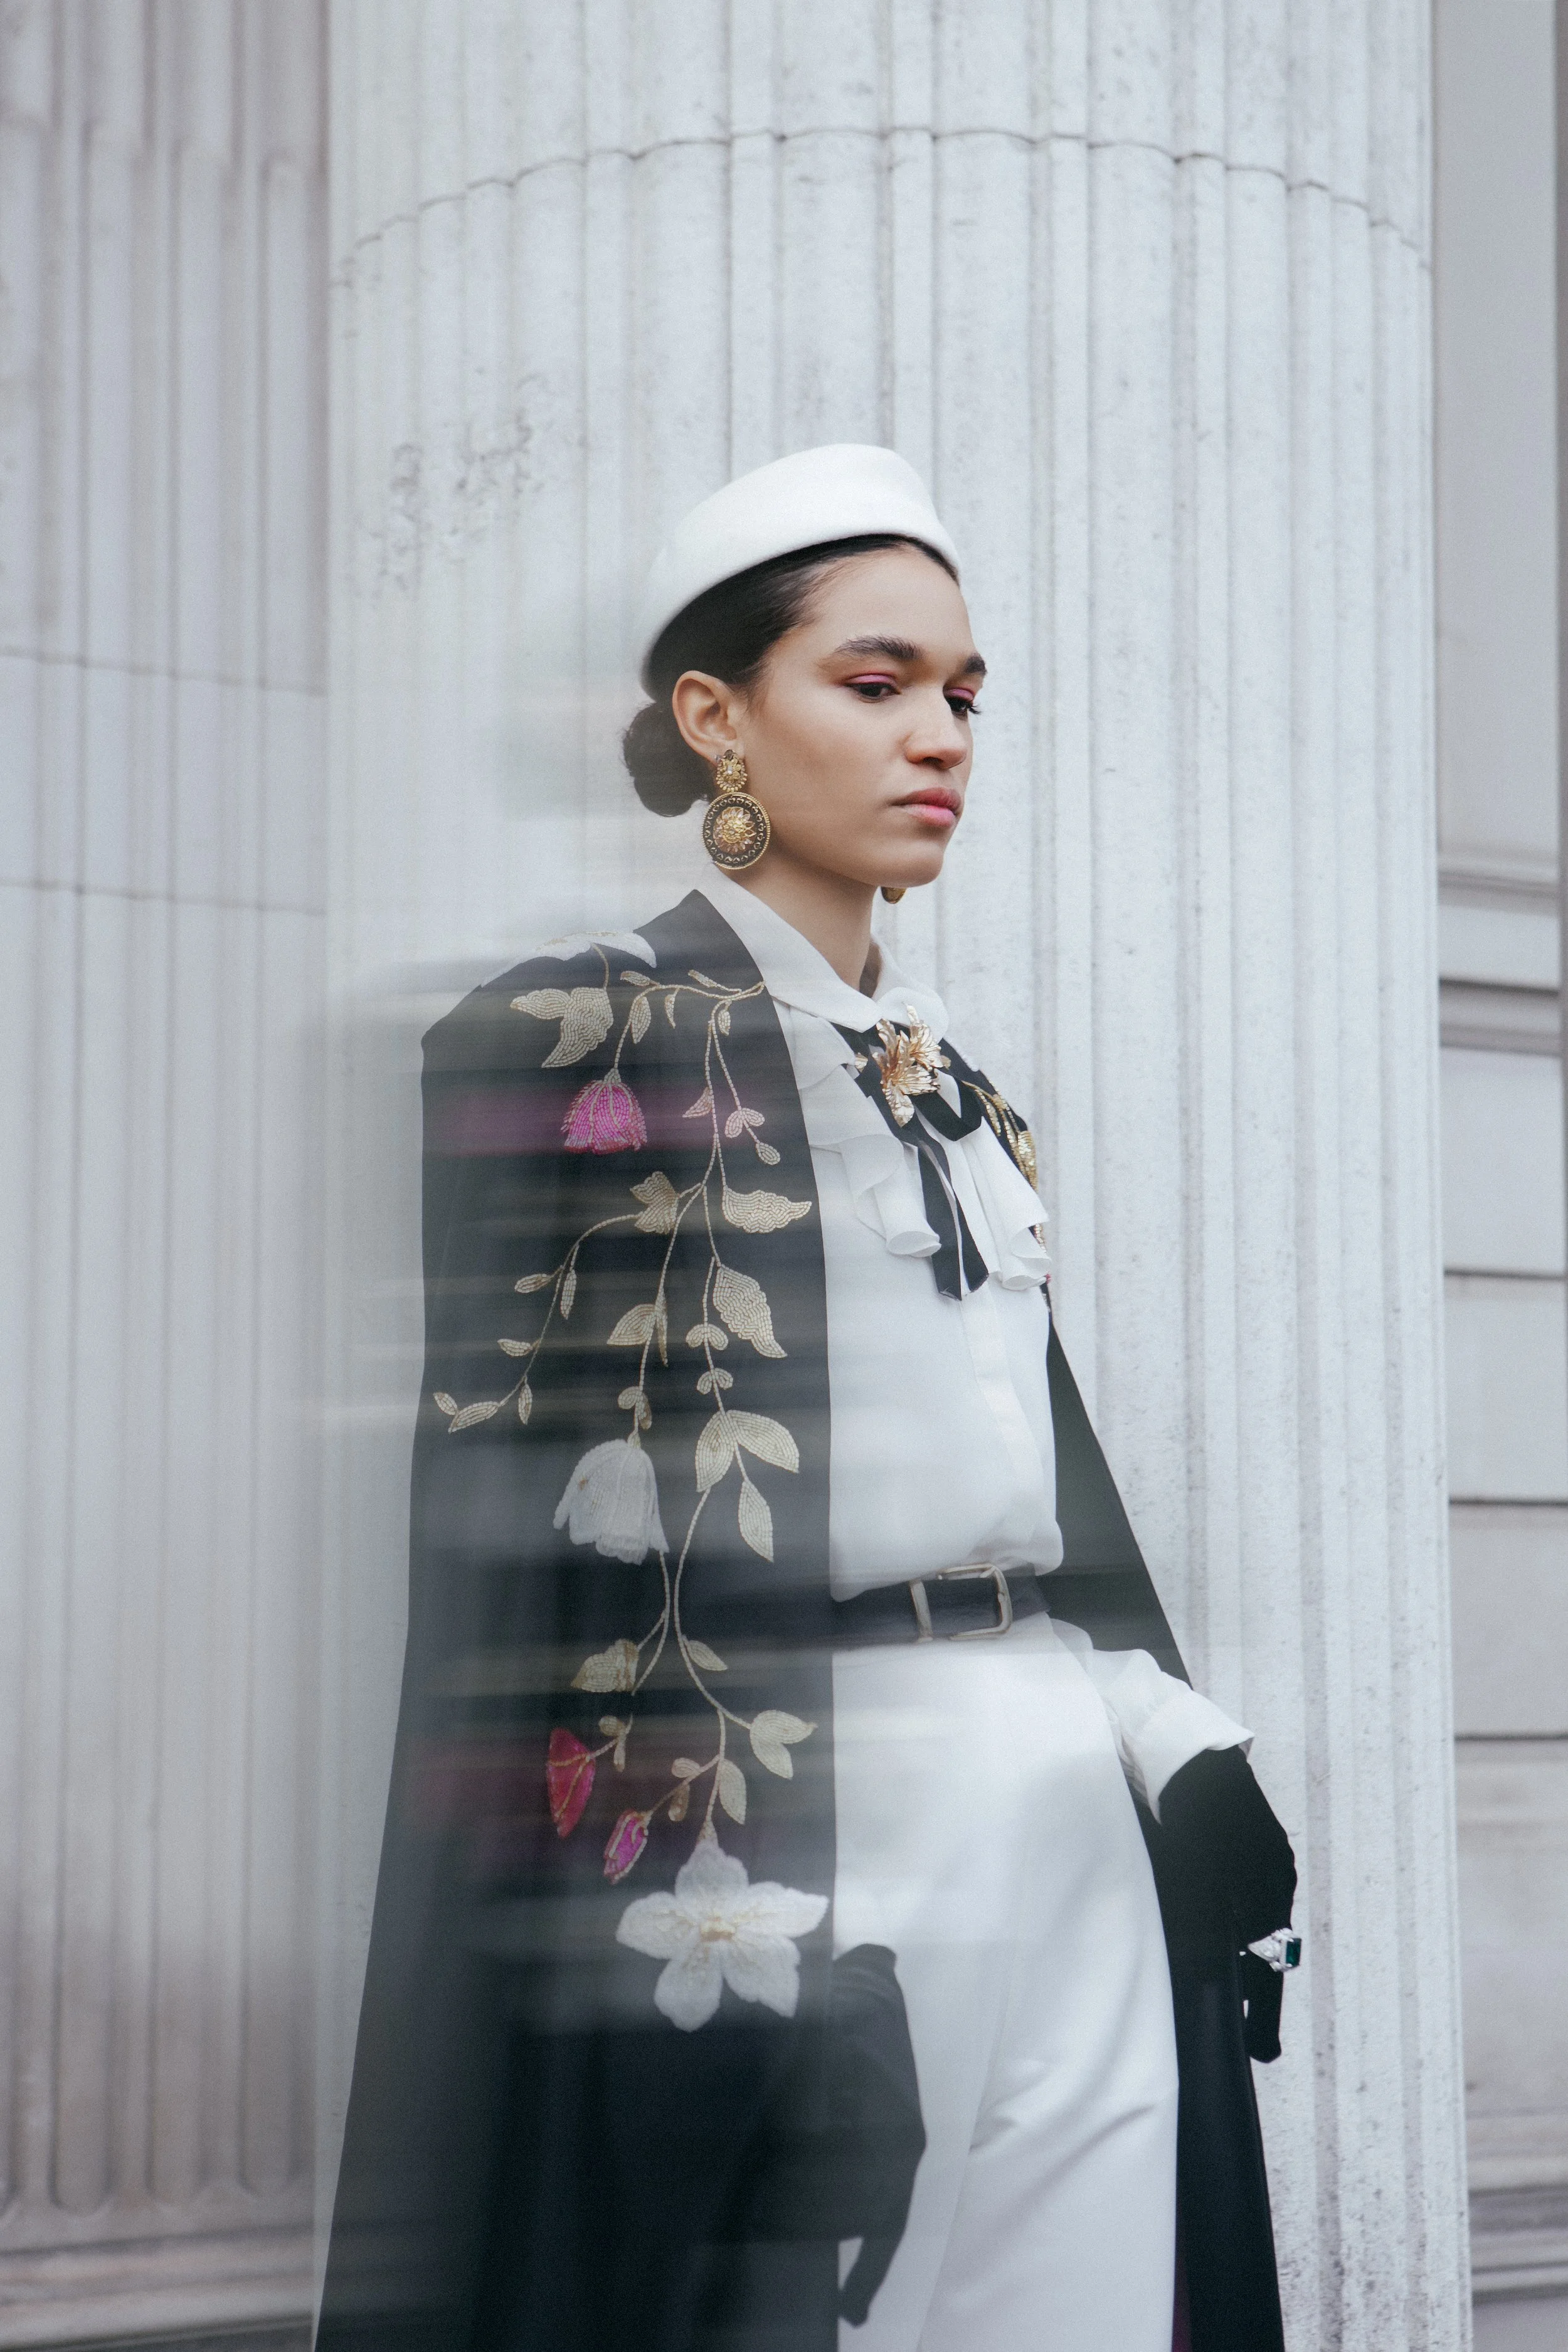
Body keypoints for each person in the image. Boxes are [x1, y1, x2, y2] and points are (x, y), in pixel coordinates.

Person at [316, 445, 1298, 2352]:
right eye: (872, 682)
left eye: (960, 691)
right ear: (716, 718)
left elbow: (1026, 1490)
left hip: (1054, 1794)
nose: (938, 733)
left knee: (1082, 2308)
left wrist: (1163, 1720)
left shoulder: (955, 1086)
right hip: (810, 1816)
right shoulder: (578, 1043)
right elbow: (538, 1568)